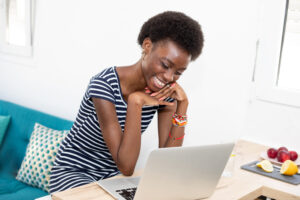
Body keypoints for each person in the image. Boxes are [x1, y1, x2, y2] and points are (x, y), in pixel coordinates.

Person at [49, 10, 204, 193]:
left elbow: (168, 161)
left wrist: (182, 107)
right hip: (72, 173)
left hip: (113, 180)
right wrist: (136, 102)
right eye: (165, 65)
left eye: (178, 72)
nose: (170, 77)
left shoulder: (164, 93)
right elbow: (127, 166)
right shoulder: (104, 85)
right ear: (147, 46)